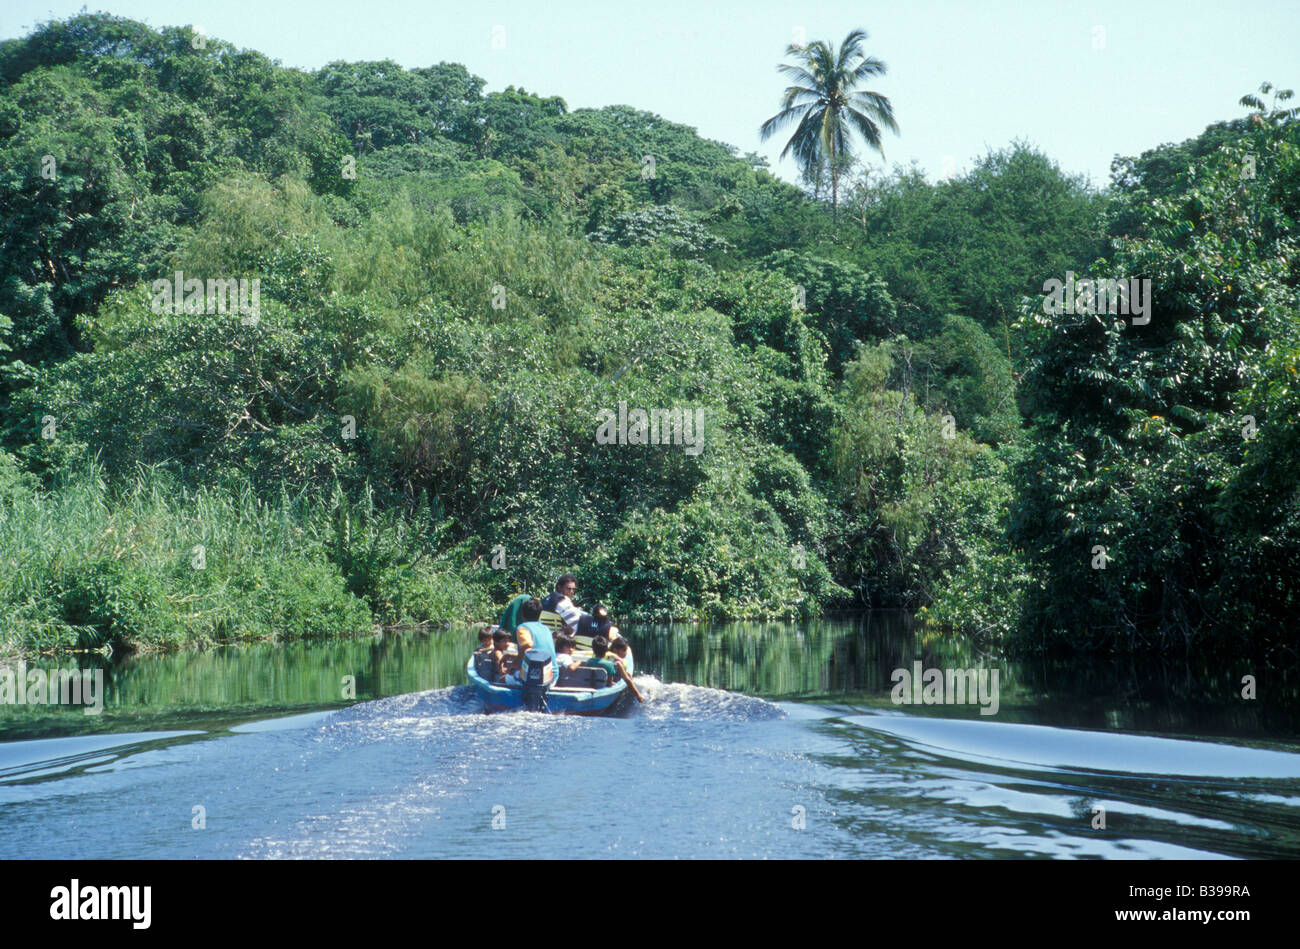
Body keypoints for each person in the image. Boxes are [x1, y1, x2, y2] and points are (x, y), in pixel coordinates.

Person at [584, 635, 643, 702]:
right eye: (624, 650)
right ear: (615, 650)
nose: (626, 652)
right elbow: (626, 679)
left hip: (592, 685)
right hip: (604, 686)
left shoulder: (590, 660)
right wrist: (638, 695)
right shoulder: (616, 663)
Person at [513, 598, 557, 684]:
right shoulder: (546, 629)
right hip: (553, 676)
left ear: (523, 615)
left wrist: (515, 662)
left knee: (505, 677)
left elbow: (528, 645)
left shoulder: (523, 628)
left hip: (535, 677)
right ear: (539, 615)